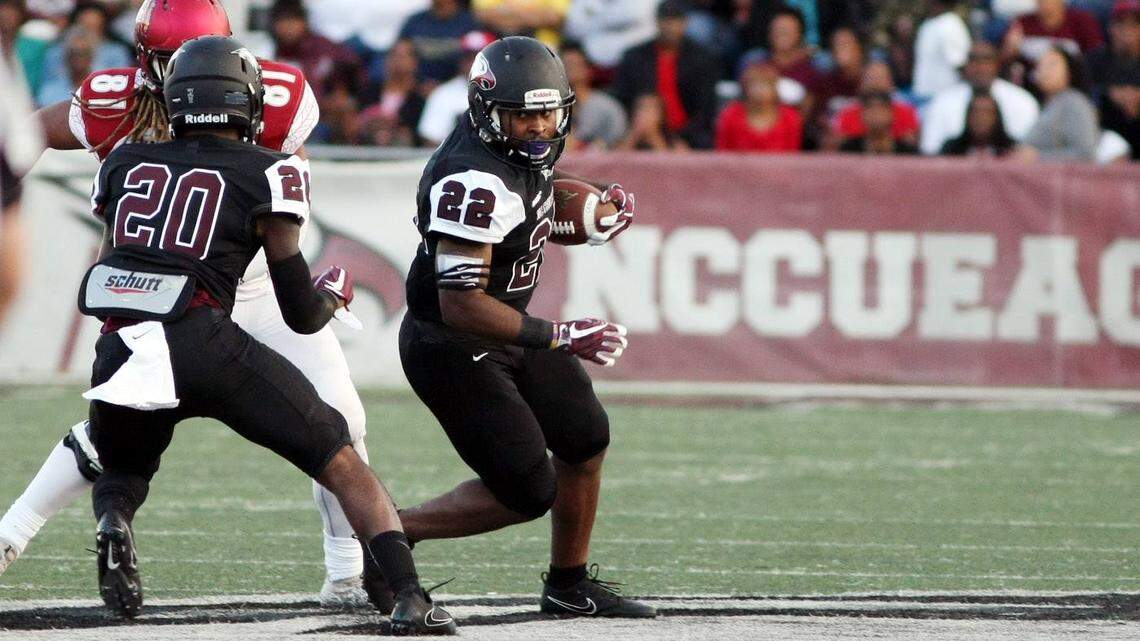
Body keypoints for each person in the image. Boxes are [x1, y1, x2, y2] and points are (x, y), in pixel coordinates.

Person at [0, 0, 377, 611]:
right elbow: (30, 133)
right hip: (180, 292)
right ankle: (9, 536)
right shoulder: (117, 100)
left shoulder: (273, 94)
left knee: (341, 420)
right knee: (121, 430)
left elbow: (287, 188)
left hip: (242, 283)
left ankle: (345, 574)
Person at [79, 35, 455, 634]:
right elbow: (301, 313)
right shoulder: (269, 171)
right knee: (337, 452)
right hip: (204, 341)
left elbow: (106, 269)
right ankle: (408, 593)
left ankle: (113, 523)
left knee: (122, 473)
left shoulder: (123, 162)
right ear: (245, 103)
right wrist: (333, 293)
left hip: (122, 344)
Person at [394, 35, 654, 619]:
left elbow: (532, 202)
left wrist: (587, 217)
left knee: (585, 439)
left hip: (503, 327)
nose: (539, 127)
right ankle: (389, 529)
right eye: (524, 116)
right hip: (452, 343)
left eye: (548, 112)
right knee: (525, 491)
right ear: (490, 113)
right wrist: (561, 336)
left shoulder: (508, 151)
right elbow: (462, 302)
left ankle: (568, 585)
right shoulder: (472, 179)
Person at [612, 0, 720, 148]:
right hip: (641, 129)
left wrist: (682, 138)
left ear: (685, 23)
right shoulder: (635, 57)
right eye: (666, 21)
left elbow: (705, 108)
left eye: (676, 21)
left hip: (690, 135)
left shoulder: (702, 59)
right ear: (656, 22)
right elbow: (624, 97)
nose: (670, 27)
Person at [920, 41, 1040, 155]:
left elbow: (1031, 152)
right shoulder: (943, 102)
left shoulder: (1023, 101)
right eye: (974, 60)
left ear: (997, 64)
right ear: (965, 65)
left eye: (986, 60)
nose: (980, 67)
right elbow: (931, 150)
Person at [1015, 44, 1100, 160]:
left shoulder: (1074, 102)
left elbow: (1086, 153)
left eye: (1052, 64)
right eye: (1040, 65)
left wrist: (1039, 157)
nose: (1044, 70)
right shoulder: (1044, 103)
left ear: (1069, 70)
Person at [418, 30, 496, 147]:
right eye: (469, 58)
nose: (473, 64)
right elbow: (431, 141)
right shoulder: (443, 94)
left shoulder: (508, 91)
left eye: (481, 59)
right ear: (461, 61)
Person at [1090, 0, 1140, 158]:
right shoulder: (1096, 59)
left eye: (1135, 24)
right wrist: (1110, 94)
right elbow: (1081, 93)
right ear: (1110, 27)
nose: (1128, 30)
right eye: (1121, 23)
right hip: (1105, 136)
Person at [715, 63, 803, 152]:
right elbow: (722, 151)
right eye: (755, 85)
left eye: (766, 85)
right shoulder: (730, 115)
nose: (760, 91)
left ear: (775, 89)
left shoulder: (790, 117)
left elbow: (793, 154)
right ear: (746, 88)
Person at [561, 40, 626, 150]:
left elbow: (619, 141)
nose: (569, 70)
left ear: (588, 70)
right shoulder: (552, 107)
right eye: (565, 65)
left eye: (574, 65)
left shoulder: (606, 106)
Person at [398, 0, 481, 87]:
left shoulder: (470, 23)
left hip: (458, 88)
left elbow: (475, 60)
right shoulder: (415, 22)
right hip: (416, 89)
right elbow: (398, 55)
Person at [1003, 0, 1105, 64]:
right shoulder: (1022, 22)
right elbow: (1005, 59)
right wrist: (1010, 51)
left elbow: (1097, 56)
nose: (1045, 3)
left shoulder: (1082, 20)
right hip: (1030, 82)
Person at [912, 0, 971, 101]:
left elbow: (960, 63)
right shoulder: (929, 23)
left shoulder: (951, 24)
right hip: (922, 95)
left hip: (943, 96)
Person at [838, 90, 920, 154]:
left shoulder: (907, 151)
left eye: (881, 110)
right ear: (862, 115)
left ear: (891, 114)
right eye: (871, 110)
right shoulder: (848, 149)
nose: (876, 115)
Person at [939, 90, 1018, 156]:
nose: (980, 118)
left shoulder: (1012, 149)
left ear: (997, 117)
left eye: (987, 112)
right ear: (967, 117)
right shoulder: (951, 149)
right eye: (975, 112)